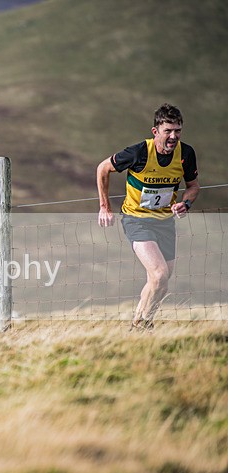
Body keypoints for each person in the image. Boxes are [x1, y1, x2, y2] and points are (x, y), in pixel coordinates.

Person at [97, 103, 200, 330]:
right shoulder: (139, 152)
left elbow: (193, 186)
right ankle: (143, 325)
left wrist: (186, 203)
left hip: (165, 223)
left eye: (178, 131)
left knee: (160, 282)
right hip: (137, 219)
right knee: (159, 273)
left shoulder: (186, 153)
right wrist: (105, 206)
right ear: (156, 131)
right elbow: (103, 168)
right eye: (168, 131)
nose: (173, 136)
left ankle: (139, 324)